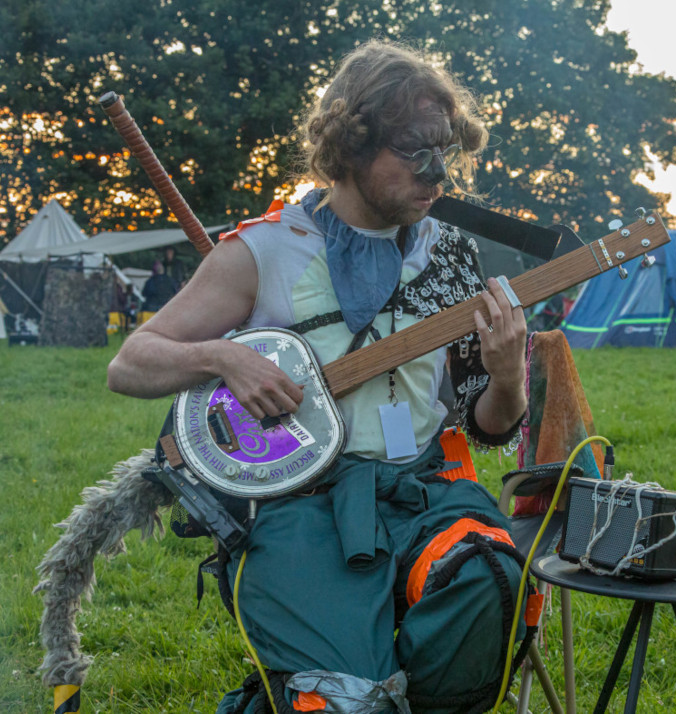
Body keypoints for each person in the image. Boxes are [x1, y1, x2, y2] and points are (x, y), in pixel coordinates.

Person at [108, 39, 530, 714]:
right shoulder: (266, 248)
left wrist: (508, 377)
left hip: (423, 492)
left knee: (491, 582)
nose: (437, 172)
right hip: (302, 505)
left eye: (445, 150)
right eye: (414, 150)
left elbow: (491, 423)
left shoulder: (450, 253)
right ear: (352, 143)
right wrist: (224, 357)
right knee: (344, 698)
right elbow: (131, 361)